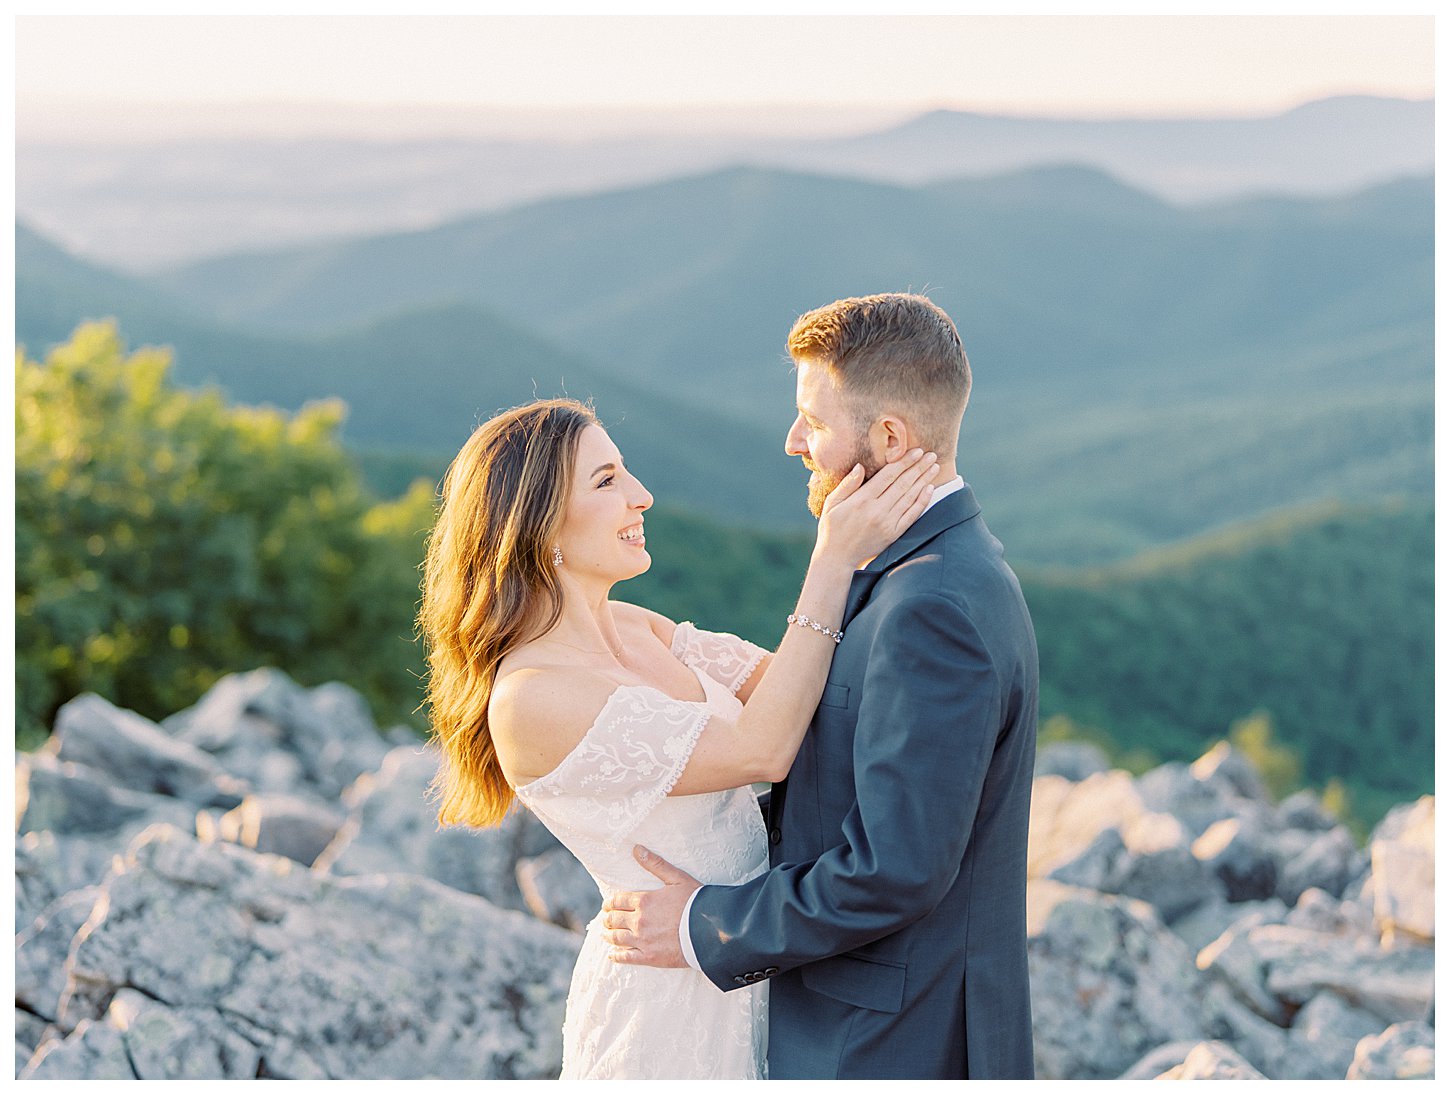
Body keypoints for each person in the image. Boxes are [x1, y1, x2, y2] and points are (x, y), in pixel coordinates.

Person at [416, 395, 938, 1079]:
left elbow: (817, 696)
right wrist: (832, 558)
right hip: (666, 1004)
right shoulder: (532, 695)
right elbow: (765, 746)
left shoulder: (640, 626)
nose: (642, 495)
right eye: (606, 481)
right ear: (539, 526)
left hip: (744, 958)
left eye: (626, 472)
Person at [605, 293, 1039, 1079]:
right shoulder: (925, 573)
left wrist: (707, 922)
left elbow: (893, 868)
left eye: (814, 420)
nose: (792, 440)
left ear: (889, 438)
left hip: (893, 1046)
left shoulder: (931, 607)